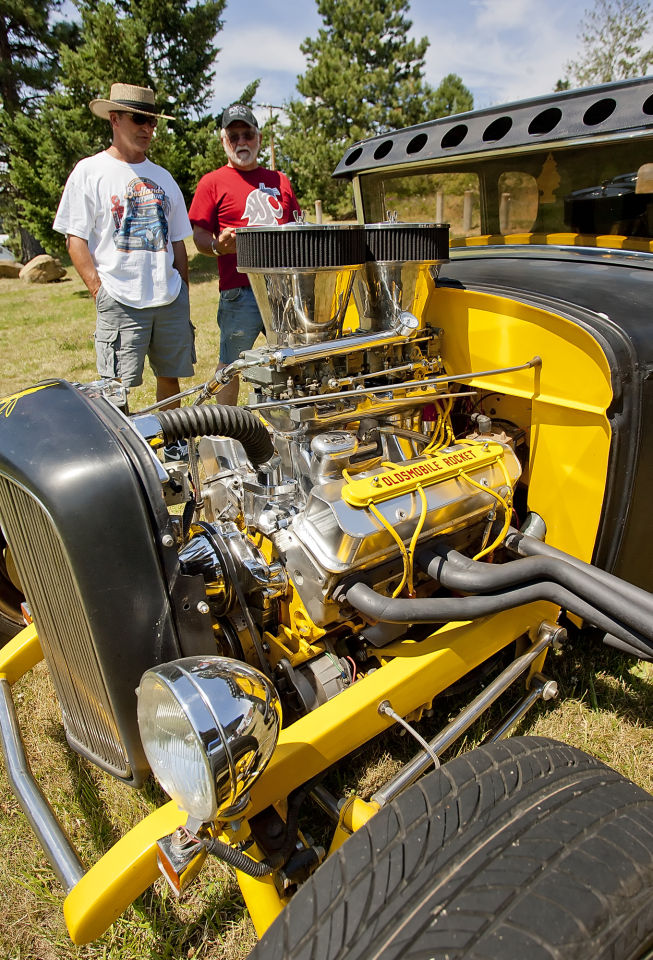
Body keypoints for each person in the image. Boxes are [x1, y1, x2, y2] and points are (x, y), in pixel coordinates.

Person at [53, 82, 195, 452]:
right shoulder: (90, 171)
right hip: (119, 297)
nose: (147, 128)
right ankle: (129, 454)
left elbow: (178, 240)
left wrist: (182, 287)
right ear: (114, 119)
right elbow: (75, 239)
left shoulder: (163, 177)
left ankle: (175, 443)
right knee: (116, 388)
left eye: (152, 121)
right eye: (139, 119)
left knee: (171, 376)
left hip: (168, 297)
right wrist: (98, 289)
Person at [189, 104, 301, 405]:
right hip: (240, 291)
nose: (242, 142)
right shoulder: (212, 182)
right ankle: (227, 431)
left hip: (284, 290)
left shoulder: (281, 180)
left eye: (247, 134)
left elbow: (297, 227)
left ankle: (292, 428)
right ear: (223, 140)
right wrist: (217, 246)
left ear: (259, 138)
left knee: (293, 359)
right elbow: (199, 236)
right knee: (231, 365)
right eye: (234, 136)